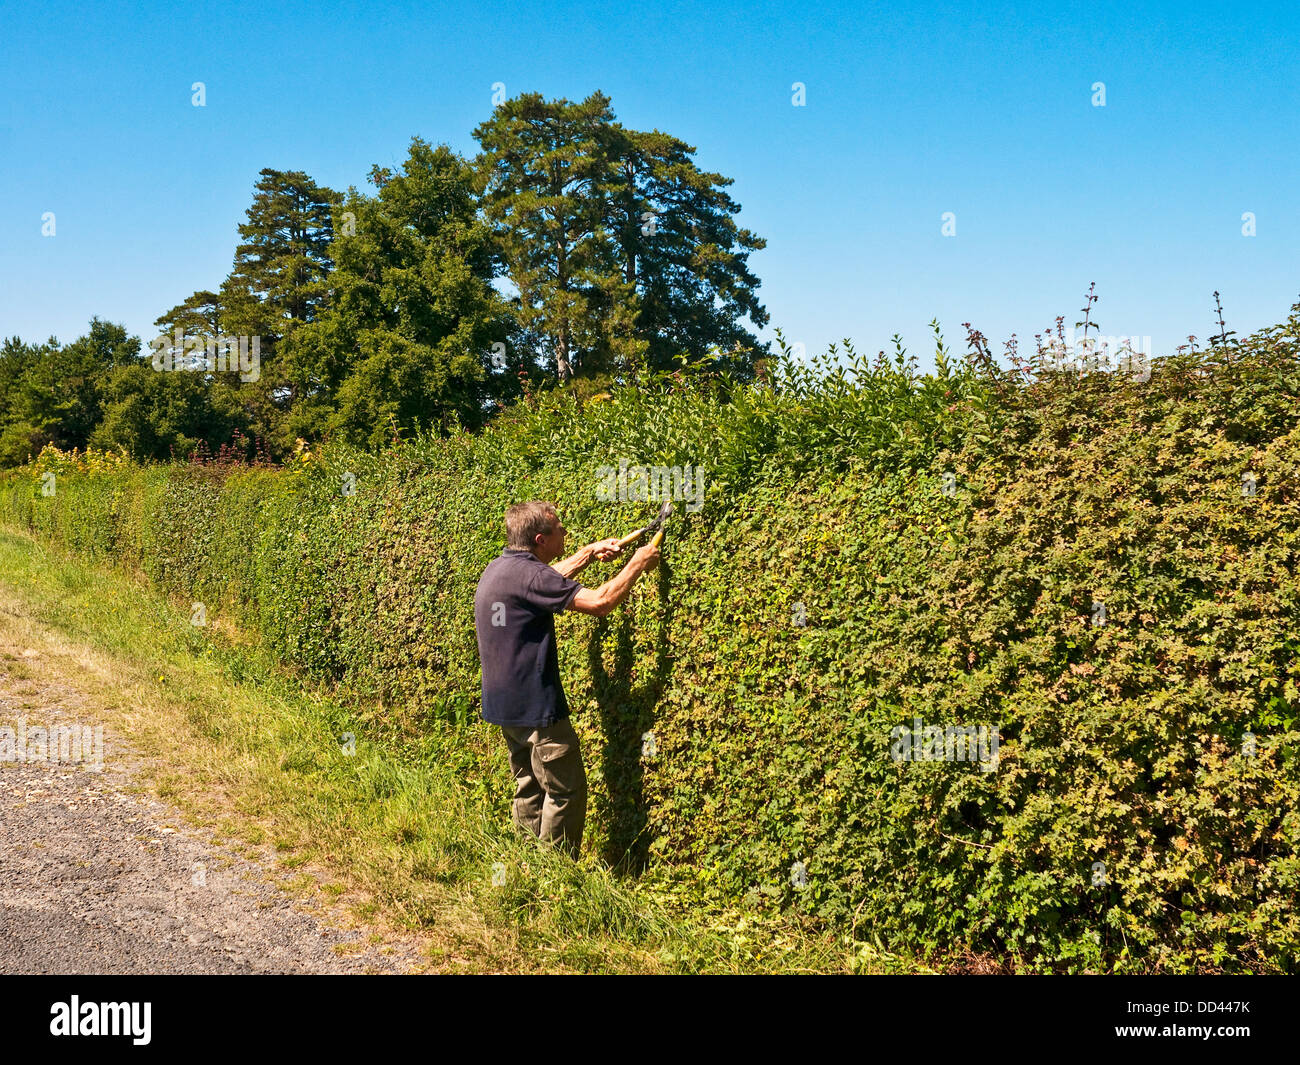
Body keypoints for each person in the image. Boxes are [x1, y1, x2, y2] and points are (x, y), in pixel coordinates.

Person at [474, 500, 660, 856]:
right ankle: (556, 877)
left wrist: (589, 553)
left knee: (529, 787)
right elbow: (600, 602)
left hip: (505, 707)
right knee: (565, 791)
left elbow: (543, 581)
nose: (565, 533)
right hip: (536, 708)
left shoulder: (501, 569)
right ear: (540, 539)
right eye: (560, 529)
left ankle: (526, 865)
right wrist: (638, 562)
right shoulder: (529, 575)